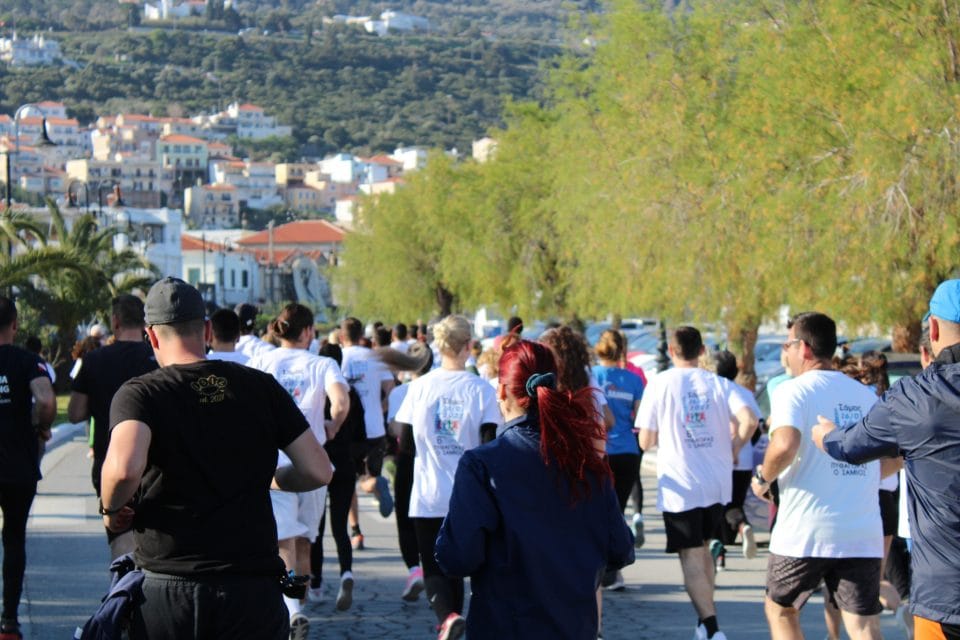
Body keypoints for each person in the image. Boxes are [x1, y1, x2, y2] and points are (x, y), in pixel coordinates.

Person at [100, 278, 334, 640]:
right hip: (251, 588)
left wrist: (112, 508)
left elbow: (123, 470)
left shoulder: (141, 394)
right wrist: (274, 478)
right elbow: (318, 470)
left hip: (168, 586)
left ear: (152, 337)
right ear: (207, 330)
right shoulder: (261, 386)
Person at [436, 339, 635, 639]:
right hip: (573, 626)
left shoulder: (482, 465)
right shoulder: (585, 461)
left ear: (501, 391)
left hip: (505, 625)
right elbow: (620, 548)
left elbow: (457, 557)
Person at [812, 280, 960, 640]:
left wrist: (826, 434)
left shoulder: (914, 397)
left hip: (944, 594)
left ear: (934, 329)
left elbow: (849, 447)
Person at [754, 312, 883, 640]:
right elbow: (893, 459)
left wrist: (764, 477)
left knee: (781, 610)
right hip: (861, 530)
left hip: (805, 530)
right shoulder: (866, 396)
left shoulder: (792, 391)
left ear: (805, 348)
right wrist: (857, 477)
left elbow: (785, 443)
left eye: (787, 345)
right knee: (863, 624)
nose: (785, 353)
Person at [636, 326, 755, 640]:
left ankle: (712, 627)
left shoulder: (660, 383)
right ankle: (704, 625)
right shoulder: (718, 383)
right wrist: (734, 448)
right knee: (703, 551)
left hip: (681, 482)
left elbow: (646, 441)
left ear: (671, 351)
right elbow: (750, 420)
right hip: (716, 482)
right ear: (702, 351)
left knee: (690, 555)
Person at [393, 314, 501, 639]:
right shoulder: (481, 390)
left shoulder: (418, 388)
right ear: (469, 345)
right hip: (468, 496)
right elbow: (489, 445)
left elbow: (406, 445)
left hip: (428, 492)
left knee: (433, 566)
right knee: (458, 569)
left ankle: (447, 617)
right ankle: (453, 620)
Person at [249, 303, 349, 630]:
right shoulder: (322, 364)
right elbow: (341, 401)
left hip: (274, 462)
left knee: (284, 540)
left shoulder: (261, 361)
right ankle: (297, 607)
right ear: (307, 332)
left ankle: (292, 609)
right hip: (313, 463)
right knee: (305, 540)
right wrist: (333, 425)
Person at [68, 294, 158, 559]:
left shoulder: (94, 360)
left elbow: (75, 413)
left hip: (109, 461)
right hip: (155, 462)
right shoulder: (157, 358)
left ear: (115, 321)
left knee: (120, 535)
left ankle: (123, 581)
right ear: (144, 322)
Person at [0, 296, 55, 640]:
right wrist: (42, 426)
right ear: (16, 325)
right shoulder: (27, 361)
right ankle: (9, 621)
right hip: (17, 465)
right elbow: (46, 399)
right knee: (14, 538)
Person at [381, 342, 434, 601]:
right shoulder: (437, 386)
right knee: (434, 517)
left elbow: (395, 429)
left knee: (405, 516)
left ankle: (414, 570)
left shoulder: (400, 392)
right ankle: (436, 573)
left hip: (408, 457)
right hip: (436, 458)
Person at [340, 316, 395, 550]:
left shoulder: (337, 359)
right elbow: (391, 390)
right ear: (362, 335)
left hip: (348, 430)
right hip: (375, 429)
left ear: (341, 336)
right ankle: (373, 483)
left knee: (348, 484)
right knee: (368, 474)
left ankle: (356, 531)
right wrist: (379, 409)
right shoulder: (376, 358)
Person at [592, 329, 646, 551]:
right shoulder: (634, 380)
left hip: (599, 451)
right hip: (627, 452)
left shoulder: (591, 375)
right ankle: (615, 559)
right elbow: (640, 418)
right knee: (618, 511)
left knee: (596, 512)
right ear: (622, 350)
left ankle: (602, 561)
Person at [708, 350, 761, 562]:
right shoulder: (744, 393)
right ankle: (742, 525)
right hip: (744, 462)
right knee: (734, 504)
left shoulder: (713, 392)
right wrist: (742, 447)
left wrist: (732, 450)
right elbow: (756, 429)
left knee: (714, 507)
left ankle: (719, 553)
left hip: (718, 458)